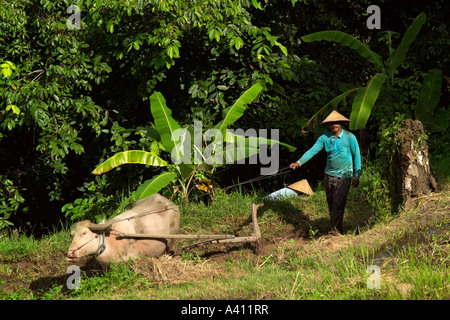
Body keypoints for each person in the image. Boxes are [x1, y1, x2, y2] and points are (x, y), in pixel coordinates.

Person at [290, 110, 361, 235]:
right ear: (329, 125)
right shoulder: (325, 138)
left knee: (338, 204)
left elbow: (357, 156)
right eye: (332, 123)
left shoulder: (350, 137)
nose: (334, 125)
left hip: (344, 176)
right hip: (328, 175)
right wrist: (299, 162)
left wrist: (357, 175)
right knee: (332, 204)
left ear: (341, 123)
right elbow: (312, 151)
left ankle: (334, 231)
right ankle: (337, 228)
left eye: (336, 123)